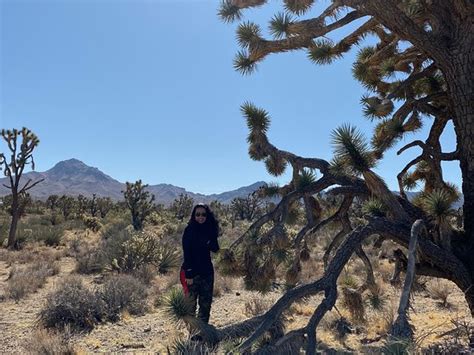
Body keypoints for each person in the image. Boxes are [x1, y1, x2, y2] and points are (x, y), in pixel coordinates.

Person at [180, 203, 219, 324]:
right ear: (193, 216)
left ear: (207, 216)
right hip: (192, 273)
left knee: (205, 305)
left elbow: (215, 248)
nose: (200, 217)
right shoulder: (189, 230)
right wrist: (189, 274)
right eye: (197, 214)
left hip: (207, 272)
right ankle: (192, 334)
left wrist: (208, 240)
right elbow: (187, 253)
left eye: (203, 214)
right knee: (190, 306)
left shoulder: (210, 229)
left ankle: (202, 333)